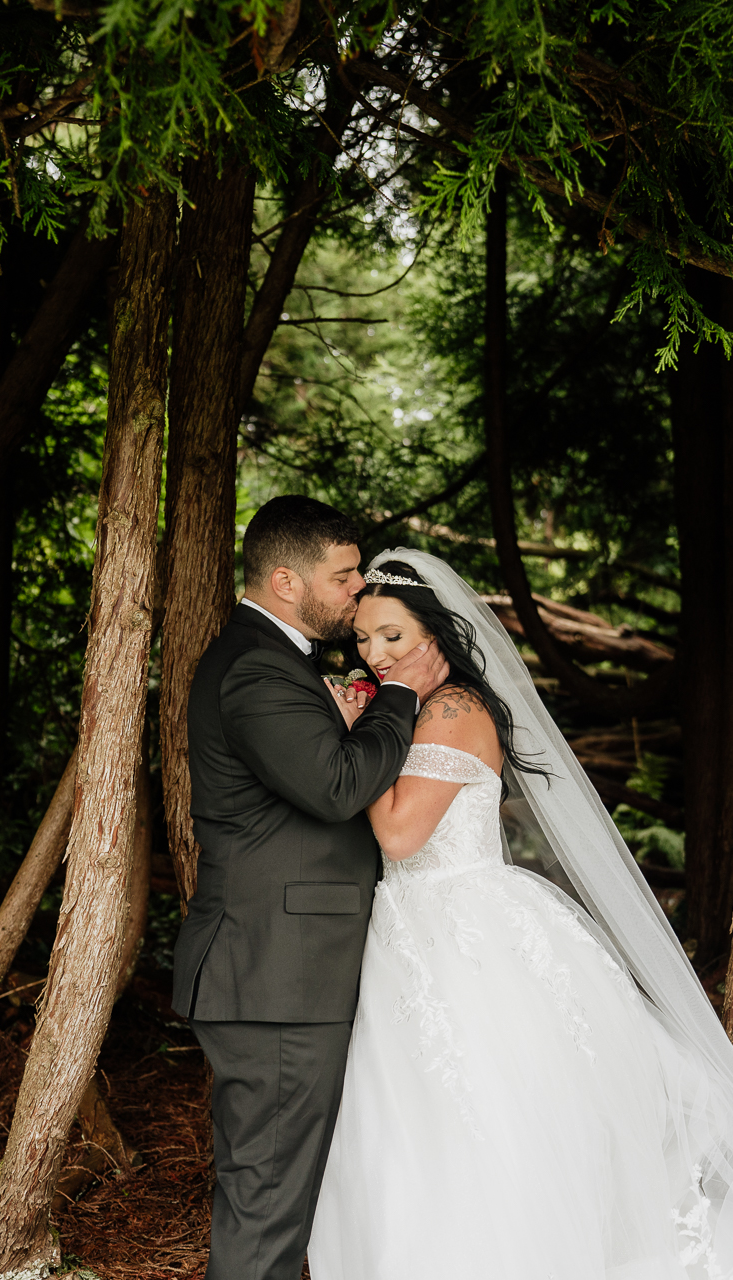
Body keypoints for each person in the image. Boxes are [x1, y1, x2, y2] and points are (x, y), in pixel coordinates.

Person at [306, 549, 733, 1280]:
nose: (375, 655)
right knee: (422, 1116)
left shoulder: (447, 710)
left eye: (394, 637)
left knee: (480, 1107)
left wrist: (361, 730)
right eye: (365, 638)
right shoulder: (424, 708)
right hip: (419, 928)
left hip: (457, 931)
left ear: (438, 638)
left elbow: (397, 833)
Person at [170, 498, 452, 1280]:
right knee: (266, 1204)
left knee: (281, 1197)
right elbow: (335, 789)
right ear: (288, 581)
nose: (359, 590)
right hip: (275, 976)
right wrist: (402, 696)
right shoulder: (258, 665)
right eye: (345, 575)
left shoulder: (278, 663)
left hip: (281, 970)